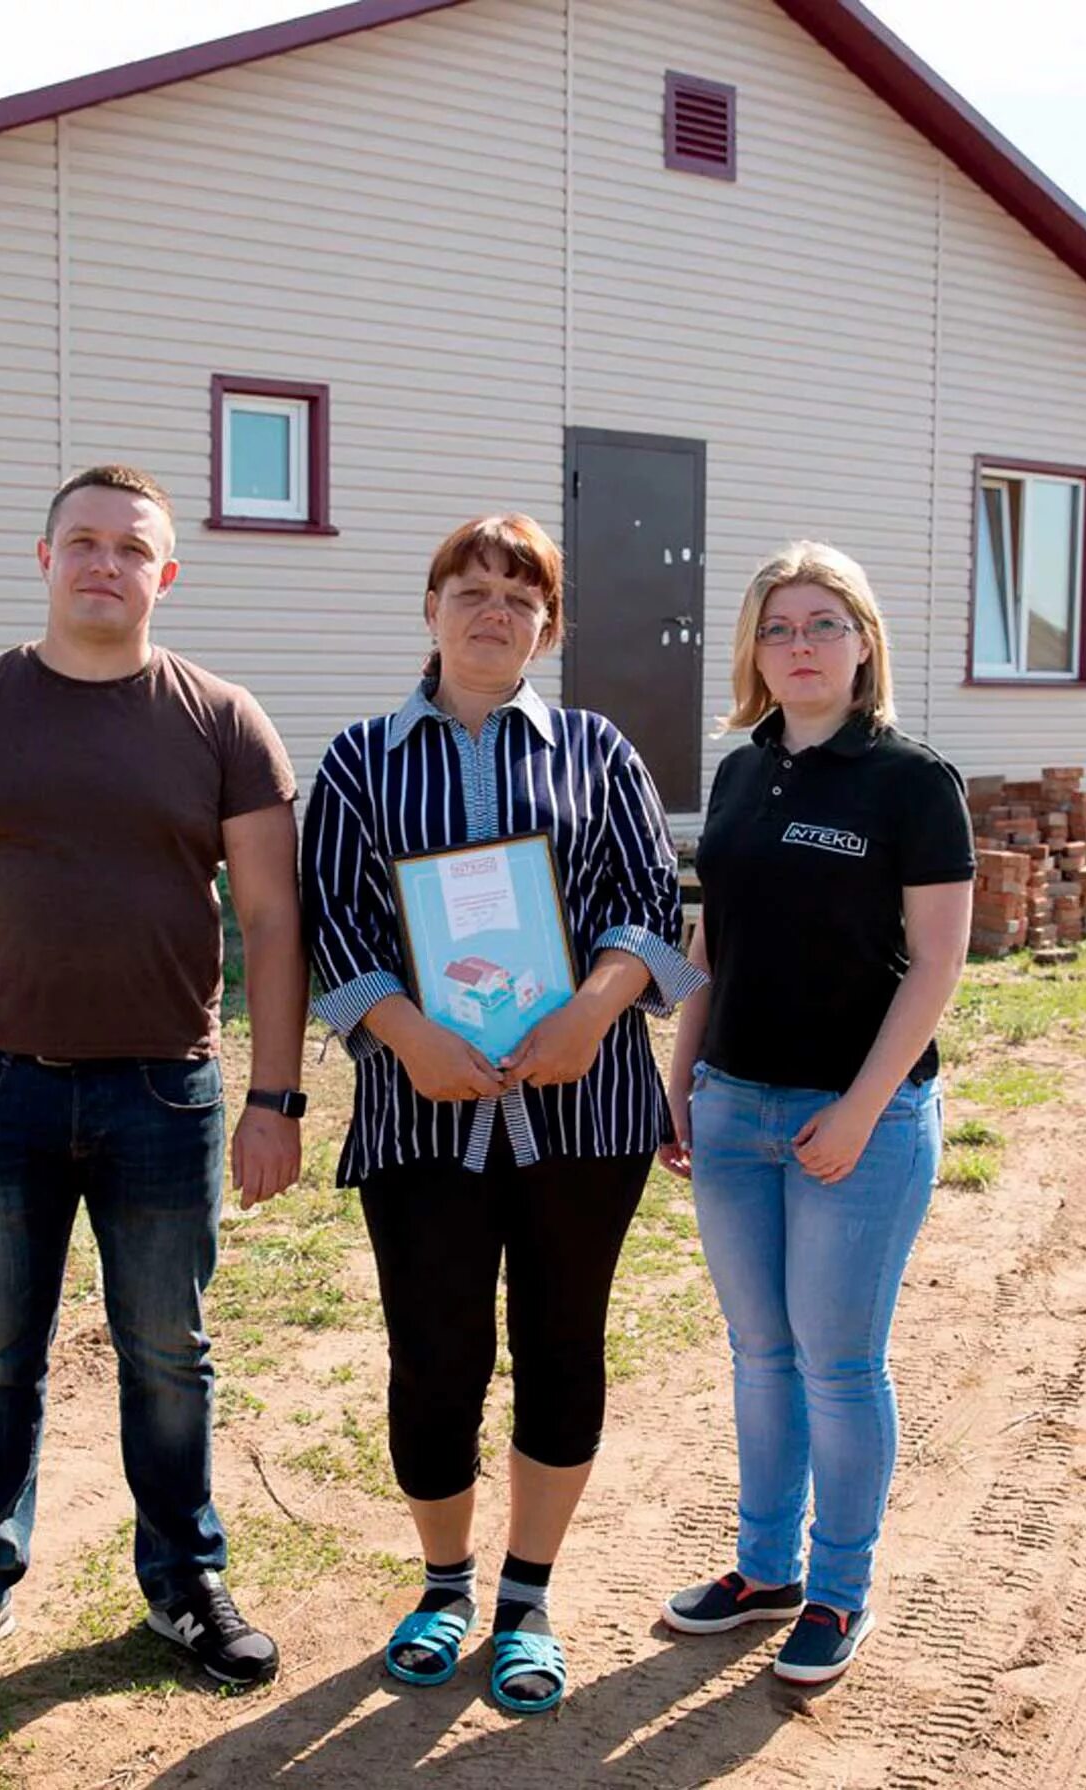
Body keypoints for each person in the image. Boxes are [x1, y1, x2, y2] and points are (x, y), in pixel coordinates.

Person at [0, 464, 308, 1698]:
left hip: (164, 1097)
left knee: (168, 1348)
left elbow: (272, 920)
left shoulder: (220, 719)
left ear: (165, 574)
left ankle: (183, 1581)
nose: (104, 563)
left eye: (131, 548)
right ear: (43, 557)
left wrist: (277, 1097)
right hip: (1, 1091)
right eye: (83, 542)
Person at [300, 514, 701, 1715]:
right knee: (433, 1361)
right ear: (429, 607)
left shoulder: (597, 748)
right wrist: (403, 1032)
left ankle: (526, 1595)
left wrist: (592, 1010)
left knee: (561, 1349)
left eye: (519, 597)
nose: (493, 612)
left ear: (548, 625)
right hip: (420, 1114)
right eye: (469, 589)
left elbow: (648, 898)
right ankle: (442, 1582)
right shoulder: (360, 759)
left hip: (584, 1109)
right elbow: (329, 921)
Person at [656, 541, 974, 1686]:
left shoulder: (910, 781)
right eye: (779, 626)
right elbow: (710, 939)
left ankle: (837, 1591)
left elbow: (936, 964)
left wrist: (856, 1108)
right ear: (753, 648)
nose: (800, 645)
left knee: (838, 1364)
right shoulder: (740, 773)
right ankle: (762, 1568)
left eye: (822, 624)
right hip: (732, 1108)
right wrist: (678, 1074)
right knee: (758, 1353)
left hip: (861, 1124)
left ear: (863, 642)